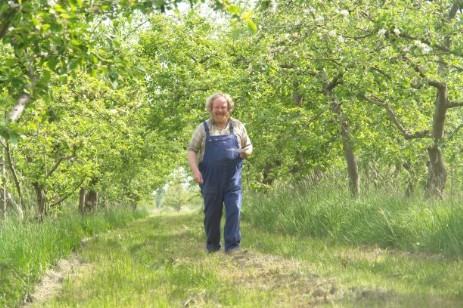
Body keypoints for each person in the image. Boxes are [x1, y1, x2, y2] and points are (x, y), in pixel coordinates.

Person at [187, 92, 253, 253]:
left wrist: (247, 153)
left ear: (228, 108)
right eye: (216, 107)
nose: (220, 110)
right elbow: (191, 150)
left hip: (232, 178)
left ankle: (232, 247)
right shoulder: (203, 128)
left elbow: (249, 145)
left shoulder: (237, 126)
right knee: (212, 215)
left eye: (223, 107)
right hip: (210, 179)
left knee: (234, 210)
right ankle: (213, 247)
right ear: (211, 108)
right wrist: (196, 171)